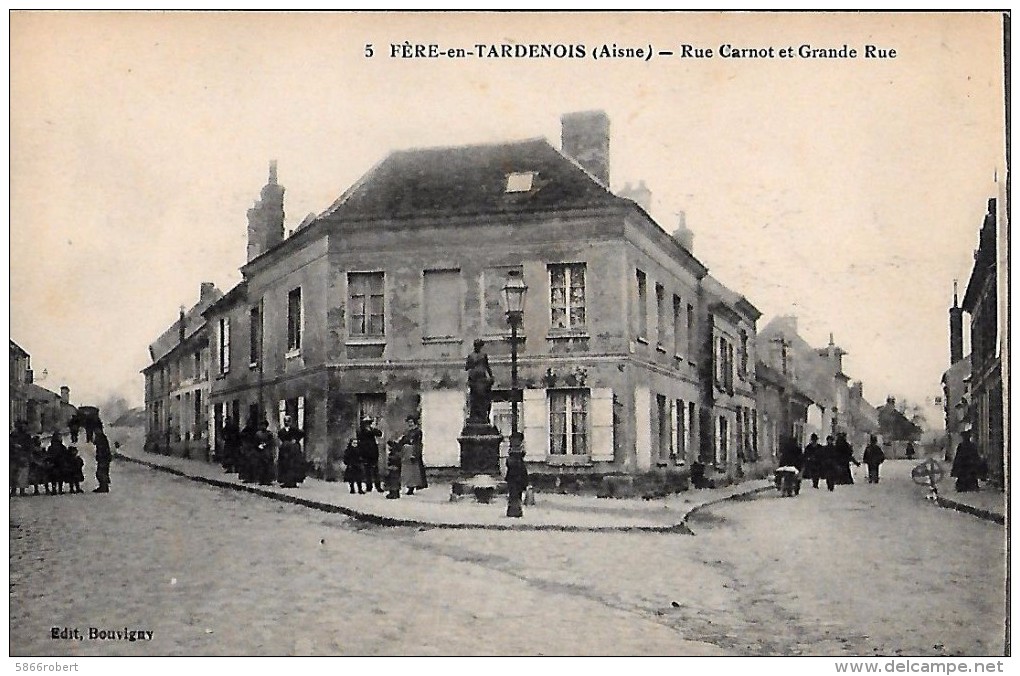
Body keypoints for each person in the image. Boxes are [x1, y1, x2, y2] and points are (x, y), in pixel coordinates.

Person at [465, 339, 495, 424]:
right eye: (477, 345)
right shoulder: (471, 356)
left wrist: (491, 376)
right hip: (475, 379)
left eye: (479, 345)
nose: (478, 347)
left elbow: (487, 366)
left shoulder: (482, 355)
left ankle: (482, 415)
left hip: (481, 379)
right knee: (475, 398)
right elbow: (467, 367)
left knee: (483, 398)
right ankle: (476, 415)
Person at [396, 415, 427, 495]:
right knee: (407, 470)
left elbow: (418, 443)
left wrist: (415, 454)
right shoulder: (407, 432)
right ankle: (408, 486)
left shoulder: (417, 432)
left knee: (414, 471)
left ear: (414, 423)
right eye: (409, 422)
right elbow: (403, 441)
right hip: (406, 452)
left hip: (413, 451)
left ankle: (412, 487)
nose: (410, 424)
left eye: (411, 422)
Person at [277, 415, 306, 488]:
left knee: (293, 466)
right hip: (285, 451)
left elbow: (302, 433)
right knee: (285, 465)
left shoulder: (294, 429)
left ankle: (293, 482)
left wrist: (296, 440)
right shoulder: (281, 431)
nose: (287, 423)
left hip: (293, 451)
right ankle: (285, 482)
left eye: (288, 421)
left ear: (290, 422)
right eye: (285, 421)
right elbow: (281, 438)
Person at [357, 416, 384, 493]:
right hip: (365, 453)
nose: (368, 425)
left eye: (369, 423)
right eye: (366, 423)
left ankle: (378, 486)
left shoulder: (372, 430)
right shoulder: (362, 432)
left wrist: (374, 428)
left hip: (373, 453)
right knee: (367, 471)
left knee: (375, 470)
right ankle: (369, 486)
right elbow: (366, 434)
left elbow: (379, 433)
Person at [505, 439, 528, 518]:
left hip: (512, 480)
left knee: (513, 496)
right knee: (517, 496)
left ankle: (512, 511)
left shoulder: (510, 460)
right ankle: (516, 511)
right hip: (518, 480)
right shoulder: (519, 461)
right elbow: (523, 472)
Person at [253, 419, 276, 485]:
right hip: (260, 452)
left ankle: (268, 480)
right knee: (261, 466)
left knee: (268, 466)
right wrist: (258, 446)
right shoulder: (258, 434)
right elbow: (255, 442)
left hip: (267, 451)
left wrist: (266, 444)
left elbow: (271, 442)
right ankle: (261, 480)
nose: (263, 427)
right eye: (262, 425)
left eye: (264, 425)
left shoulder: (269, 433)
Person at [237, 417, 258, 483]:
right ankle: (247, 478)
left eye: (251, 422)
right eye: (249, 422)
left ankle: (253, 477)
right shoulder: (245, 430)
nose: (250, 424)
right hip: (246, 448)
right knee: (246, 464)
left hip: (252, 449)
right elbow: (241, 438)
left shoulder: (254, 430)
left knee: (252, 464)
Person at [93, 427, 112, 493]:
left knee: (101, 473)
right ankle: (104, 486)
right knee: (102, 472)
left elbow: (102, 449)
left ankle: (103, 487)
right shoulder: (101, 438)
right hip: (103, 458)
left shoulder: (101, 439)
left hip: (103, 458)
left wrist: (100, 456)